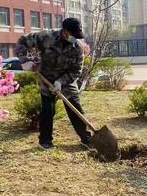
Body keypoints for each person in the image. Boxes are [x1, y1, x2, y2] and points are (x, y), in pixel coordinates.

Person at [15, 17, 91, 149]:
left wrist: (61, 82)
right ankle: (45, 141)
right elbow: (22, 42)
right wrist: (26, 60)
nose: (75, 38)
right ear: (65, 31)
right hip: (46, 78)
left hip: (66, 80)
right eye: (73, 35)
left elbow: (76, 71)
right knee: (48, 110)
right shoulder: (46, 37)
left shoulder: (77, 48)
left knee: (75, 107)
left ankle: (86, 138)